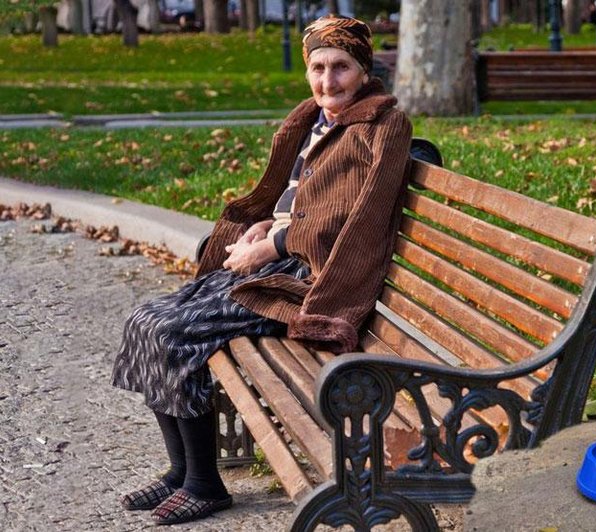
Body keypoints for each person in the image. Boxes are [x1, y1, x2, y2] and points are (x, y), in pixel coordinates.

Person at [111, 14, 412, 526]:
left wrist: (273, 245)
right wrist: (264, 227)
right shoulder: (317, 117)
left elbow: (361, 217)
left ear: (364, 71)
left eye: (341, 67)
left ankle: (206, 485)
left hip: (314, 280)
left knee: (174, 333)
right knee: (146, 318)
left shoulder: (383, 126)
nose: (327, 80)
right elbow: (302, 200)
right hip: (281, 257)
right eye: (317, 68)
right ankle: (182, 469)